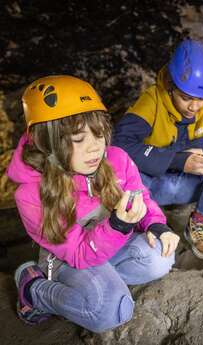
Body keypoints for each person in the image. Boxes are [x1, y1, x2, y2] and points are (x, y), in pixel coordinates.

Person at [7, 75, 180, 332]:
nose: (94, 149)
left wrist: (156, 224)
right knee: (112, 310)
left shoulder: (116, 159)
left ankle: (94, 284)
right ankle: (35, 290)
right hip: (67, 258)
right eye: (78, 140)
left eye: (98, 135)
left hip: (108, 242)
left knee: (161, 258)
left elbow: (140, 197)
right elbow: (77, 252)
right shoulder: (31, 195)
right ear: (47, 142)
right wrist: (118, 224)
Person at [113, 40, 203, 260]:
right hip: (154, 185)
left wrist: (185, 154)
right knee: (123, 174)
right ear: (171, 86)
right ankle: (143, 226)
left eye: (200, 99)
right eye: (186, 98)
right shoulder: (152, 99)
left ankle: (197, 224)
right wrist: (178, 159)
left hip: (188, 185)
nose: (194, 106)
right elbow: (119, 144)